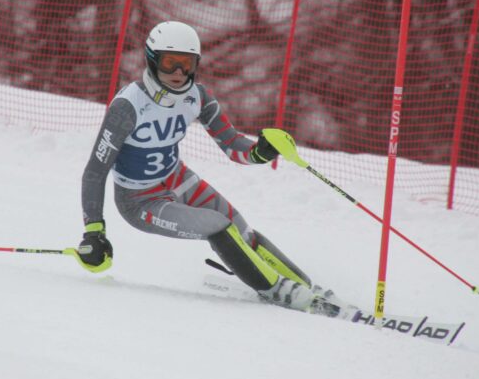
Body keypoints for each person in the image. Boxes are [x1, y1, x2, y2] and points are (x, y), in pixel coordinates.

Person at [77, 20, 344, 317]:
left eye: (187, 64)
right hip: (139, 201)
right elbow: (95, 171)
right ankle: (277, 290)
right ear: (152, 60)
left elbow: (231, 144)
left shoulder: (197, 97)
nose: (179, 73)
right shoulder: (128, 106)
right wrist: (94, 231)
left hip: (177, 179)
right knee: (217, 225)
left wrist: (260, 152)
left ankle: (305, 286)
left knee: (240, 228)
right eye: (170, 63)